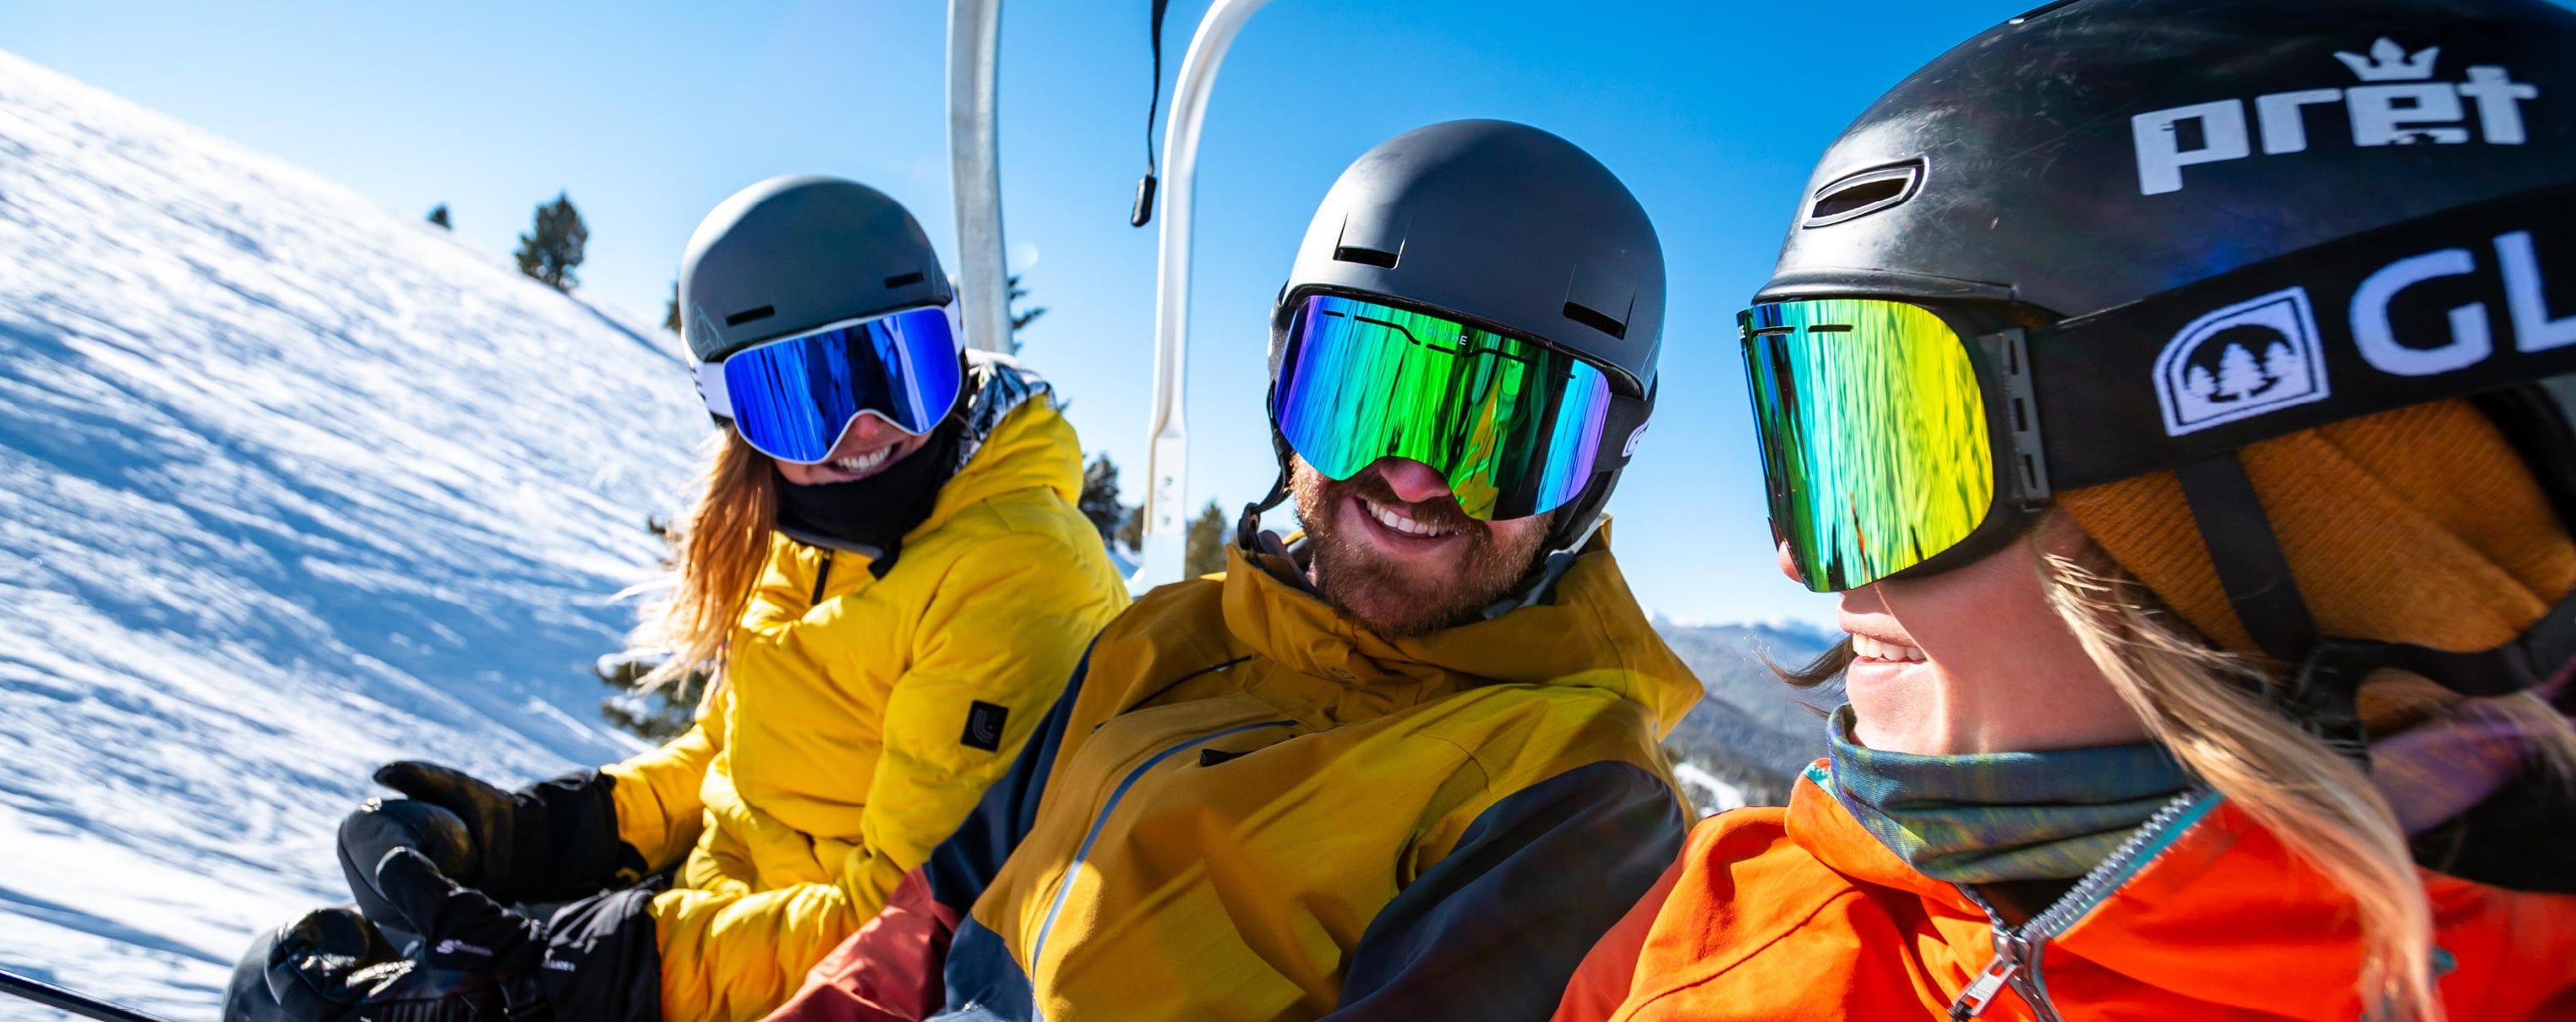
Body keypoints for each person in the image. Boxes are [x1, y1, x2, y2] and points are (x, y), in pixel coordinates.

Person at [1553, 1, 2576, 1019]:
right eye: (1826, 453)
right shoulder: (1714, 926)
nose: (1795, 556)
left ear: (2318, 522)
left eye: (1907, 461)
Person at [762, 119, 1701, 1022]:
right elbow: (942, 900)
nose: (1414, 478)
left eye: (1503, 436)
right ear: (1285, 383)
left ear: (1594, 471)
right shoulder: (1166, 632)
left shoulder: (1584, 796)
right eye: (1363, 394)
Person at [224, 176, 1132, 1022]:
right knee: (285, 980)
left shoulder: (1014, 570)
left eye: (899, 371)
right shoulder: (815, 540)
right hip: (722, 934)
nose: (864, 429)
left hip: (840, 989)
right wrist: (531, 835)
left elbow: (908, 924)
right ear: (731, 413)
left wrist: (577, 963)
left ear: (954, 355)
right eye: (802, 397)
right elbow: (724, 760)